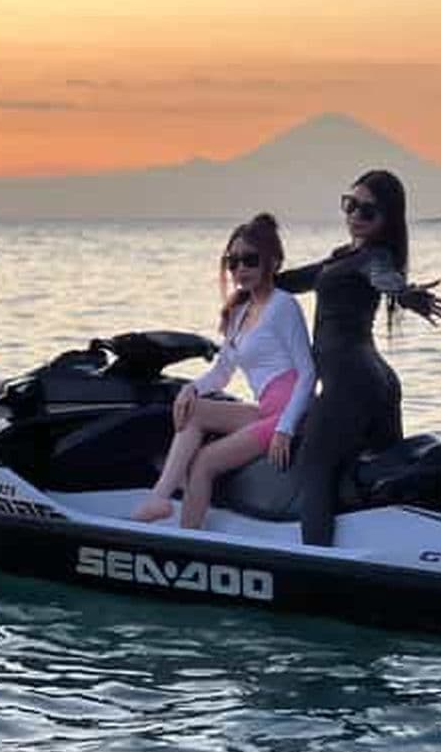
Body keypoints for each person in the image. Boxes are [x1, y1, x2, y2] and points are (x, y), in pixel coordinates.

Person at [276, 169, 441, 546]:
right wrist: (254, 275)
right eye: (350, 204)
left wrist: (406, 294)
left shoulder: (374, 257)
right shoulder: (344, 257)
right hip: (375, 380)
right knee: (385, 483)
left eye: (368, 211)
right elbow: (296, 280)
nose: (355, 215)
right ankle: (400, 551)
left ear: (387, 219)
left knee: (315, 467)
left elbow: (385, 278)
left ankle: (317, 570)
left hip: (352, 382)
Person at [132, 213, 315, 527]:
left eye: (250, 260)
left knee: (204, 462)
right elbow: (221, 372)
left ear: (271, 261)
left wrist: (285, 429)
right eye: (233, 262)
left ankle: (188, 541)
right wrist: (190, 389)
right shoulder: (239, 313)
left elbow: (308, 373)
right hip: (266, 408)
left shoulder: (283, 306)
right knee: (192, 411)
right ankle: (160, 498)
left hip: (289, 414)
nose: (240, 269)